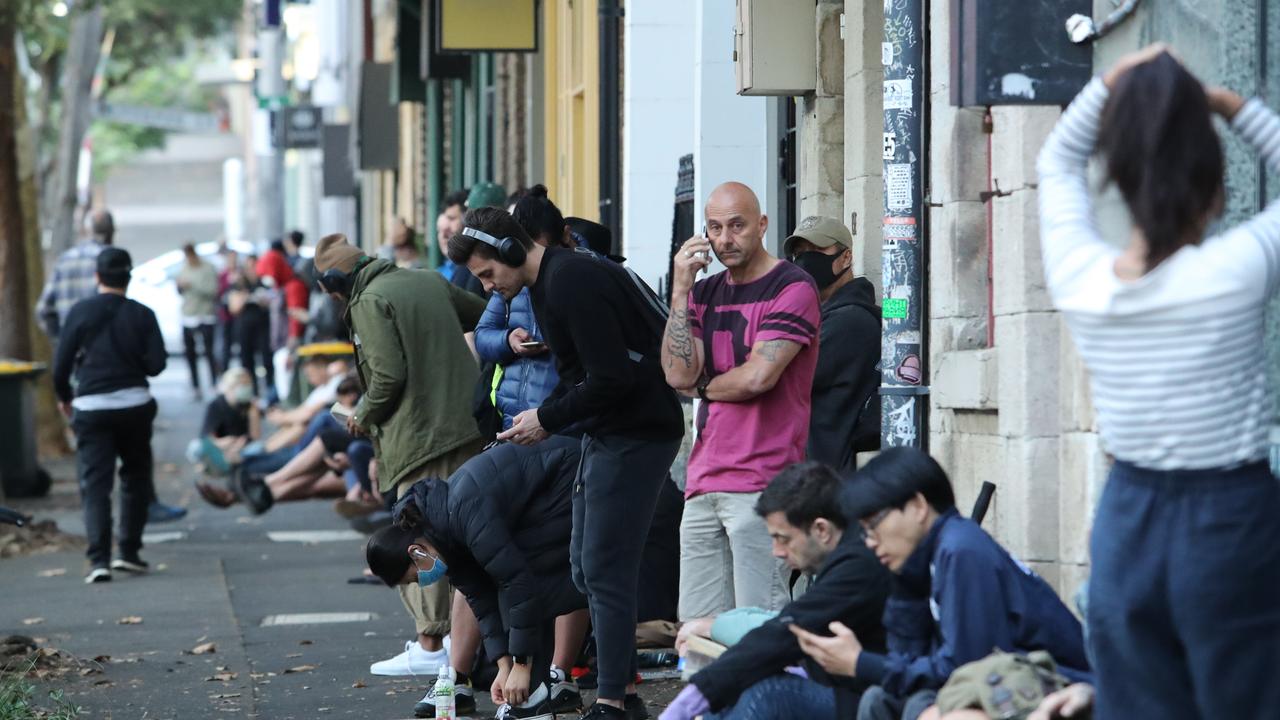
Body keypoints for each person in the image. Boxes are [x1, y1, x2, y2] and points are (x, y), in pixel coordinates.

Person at [1036, 44, 1280, 720]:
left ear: (1121, 178)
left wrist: (1113, 85)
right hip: (1232, 515)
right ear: (1214, 190)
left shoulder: (1083, 281)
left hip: (1127, 518)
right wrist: (1229, 105)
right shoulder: (1233, 273)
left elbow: (1054, 161)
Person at [449, 206, 684, 720]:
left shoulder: (570, 281)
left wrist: (546, 419)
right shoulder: (547, 284)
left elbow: (609, 378)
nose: (488, 288)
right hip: (610, 430)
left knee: (603, 567)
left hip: (636, 430)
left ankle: (613, 699)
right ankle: (616, 693)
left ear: (513, 250)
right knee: (584, 561)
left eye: (489, 274)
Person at [312, 233, 489, 698]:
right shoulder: (428, 279)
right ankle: (460, 645)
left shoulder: (368, 301)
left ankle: (431, 641)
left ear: (336, 281)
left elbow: (388, 376)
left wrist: (361, 415)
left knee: (420, 538)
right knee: (464, 536)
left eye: (329, 290)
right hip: (467, 427)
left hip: (418, 438)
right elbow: (485, 315)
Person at [791, 448, 1091, 720]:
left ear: (918, 506)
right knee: (879, 699)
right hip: (1001, 681)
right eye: (864, 532)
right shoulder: (925, 556)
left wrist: (861, 663)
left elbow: (966, 668)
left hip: (1057, 688)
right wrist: (904, 583)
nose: (870, 542)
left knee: (918, 706)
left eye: (873, 526)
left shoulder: (961, 550)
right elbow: (909, 655)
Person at [662, 181, 821, 622]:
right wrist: (679, 290)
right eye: (715, 228)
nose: (725, 239)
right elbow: (677, 375)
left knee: (758, 624)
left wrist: (705, 388)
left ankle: (767, 696)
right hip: (702, 482)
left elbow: (758, 377)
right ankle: (705, 696)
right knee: (696, 632)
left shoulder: (793, 286)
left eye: (737, 225)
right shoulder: (703, 292)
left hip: (763, 482)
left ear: (762, 225)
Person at [367, 438, 587, 719]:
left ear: (415, 551)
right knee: (514, 587)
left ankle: (537, 696)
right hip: (545, 490)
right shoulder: (441, 535)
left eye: (413, 578)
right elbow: (480, 600)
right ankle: (533, 696)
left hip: (569, 479)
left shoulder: (462, 512)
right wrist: (503, 664)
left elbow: (516, 582)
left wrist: (521, 664)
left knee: (533, 580)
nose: (420, 583)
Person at [662, 463, 891, 720]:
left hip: (875, 698)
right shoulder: (847, 552)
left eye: (783, 538)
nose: (777, 552)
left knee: (766, 693)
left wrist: (687, 703)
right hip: (848, 688)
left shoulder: (858, 564)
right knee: (741, 683)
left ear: (822, 530)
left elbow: (785, 631)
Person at [39, 209, 186, 524]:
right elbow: (155, 363)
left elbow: (44, 309)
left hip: (86, 379)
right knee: (135, 464)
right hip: (127, 382)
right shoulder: (120, 274)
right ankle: (139, 523)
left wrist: (62, 341)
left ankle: (99, 551)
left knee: (95, 473)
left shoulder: (66, 262)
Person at [51, 248, 166, 584]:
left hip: (91, 408)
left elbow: (61, 367)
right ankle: (128, 552)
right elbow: (156, 365)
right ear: (128, 278)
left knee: (95, 484)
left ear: (97, 277)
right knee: (135, 476)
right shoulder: (144, 315)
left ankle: (98, 559)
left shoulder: (80, 312)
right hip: (134, 405)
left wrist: (65, 399)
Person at [783, 217, 881, 471]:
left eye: (816, 252)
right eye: (799, 254)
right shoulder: (818, 315)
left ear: (846, 258)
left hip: (830, 478)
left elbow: (776, 376)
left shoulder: (849, 321)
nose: (805, 261)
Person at [37, 208, 115, 339]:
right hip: (103, 346)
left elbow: (44, 309)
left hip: (70, 346)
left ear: (86, 230)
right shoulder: (112, 259)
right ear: (111, 232)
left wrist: (61, 339)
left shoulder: (64, 260)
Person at [177, 242, 222, 400]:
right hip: (188, 314)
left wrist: (193, 286)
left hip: (205, 314)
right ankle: (195, 386)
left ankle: (213, 383)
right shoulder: (184, 268)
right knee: (190, 353)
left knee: (209, 351)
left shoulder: (208, 268)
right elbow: (181, 290)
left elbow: (213, 291)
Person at [227, 255, 275, 398]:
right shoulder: (239, 284)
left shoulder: (265, 282)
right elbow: (234, 308)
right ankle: (251, 393)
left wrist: (263, 300)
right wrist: (245, 297)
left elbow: (273, 302)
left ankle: (270, 393)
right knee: (247, 361)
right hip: (245, 328)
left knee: (267, 360)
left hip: (263, 327)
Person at [436, 190, 469, 281]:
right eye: (439, 231)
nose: (443, 236)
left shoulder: (476, 272)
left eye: (451, 218)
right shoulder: (439, 274)